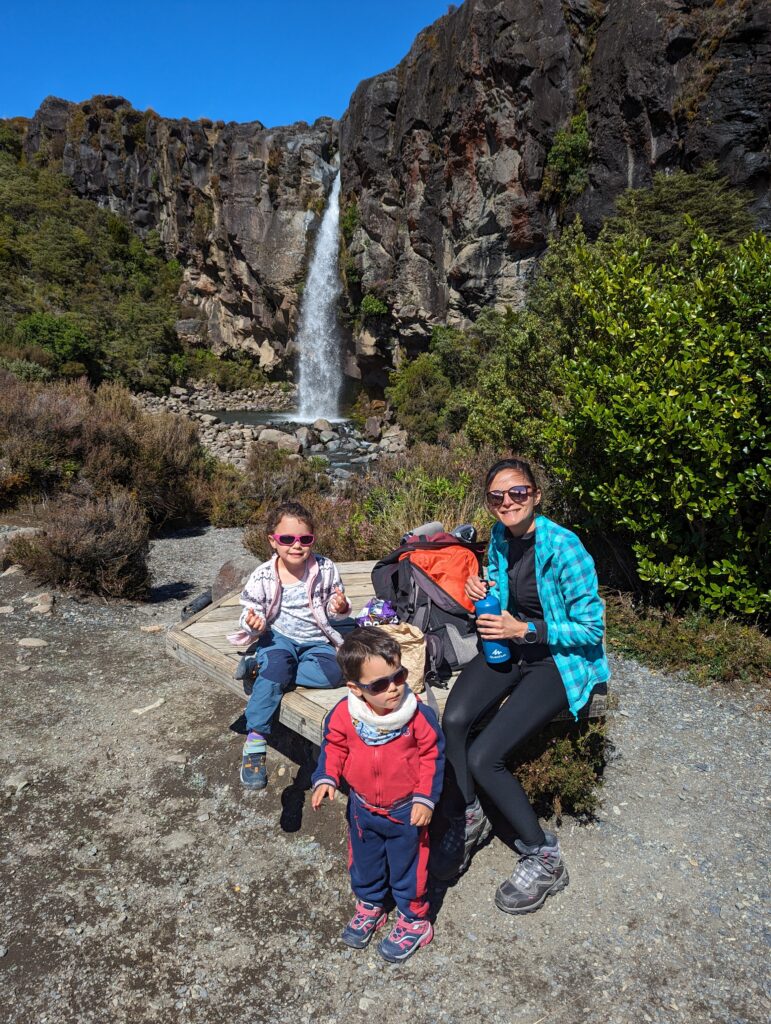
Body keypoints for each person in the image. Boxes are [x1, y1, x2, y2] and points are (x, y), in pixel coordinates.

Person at [432, 457, 609, 915]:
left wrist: (525, 630)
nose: (507, 502)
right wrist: (482, 590)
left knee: (484, 756)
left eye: (518, 492)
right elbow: (501, 589)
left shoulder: (565, 547)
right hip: (508, 647)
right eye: (497, 496)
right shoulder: (499, 537)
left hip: (556, 660)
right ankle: (470, 815)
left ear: (536, 495)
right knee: (454, 719)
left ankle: (544, 856)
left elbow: (591, 628)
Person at [311, 627, 444, 963]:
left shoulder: (416, 715)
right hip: (363, 807)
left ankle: (414, 919)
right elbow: (334, 745)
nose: (394, 687)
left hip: (405, 810)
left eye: (398, 675)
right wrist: (326, 776)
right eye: (379, 684)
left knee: (409, 866)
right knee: (364, 861)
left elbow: (432, 755)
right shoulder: (346, 714)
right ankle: (370, 903)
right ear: (355, 689)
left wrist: (425, 798)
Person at [228, 500, 350, 789]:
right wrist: (253, 624)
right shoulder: (263, 574)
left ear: (313, 540)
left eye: (305, 539)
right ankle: (255, 740)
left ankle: (259, 668)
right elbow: (249, 611)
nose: (297, 545)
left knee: (335, 674)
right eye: (287, 539)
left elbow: (334, 609)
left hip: (316, 639)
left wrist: (340, 608)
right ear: (273, 541)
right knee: (278, 667)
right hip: (278, 637)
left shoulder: (325, 568)